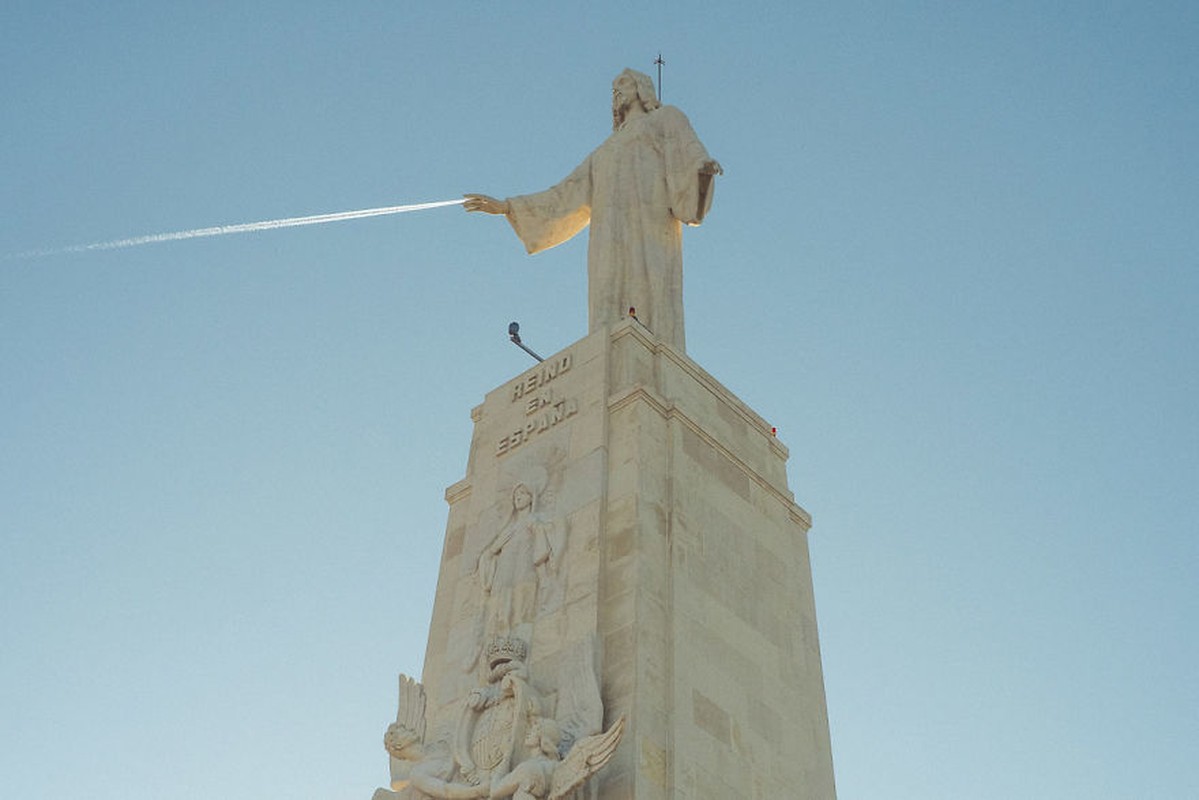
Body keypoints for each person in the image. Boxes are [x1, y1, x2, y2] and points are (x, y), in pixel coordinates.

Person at [466, 68, 721, 352]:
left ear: (642, 88)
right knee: (608, 291)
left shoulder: (664, 118)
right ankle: (608, 353)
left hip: (649, 222)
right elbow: (563, 195)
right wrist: (507, 207)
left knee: (652, 282)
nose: (616, 92)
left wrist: (700, 170)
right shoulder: (603, 154)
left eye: (623, 84)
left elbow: (689, 150)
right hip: (609, 235)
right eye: (613, 89)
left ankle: (657, 350)